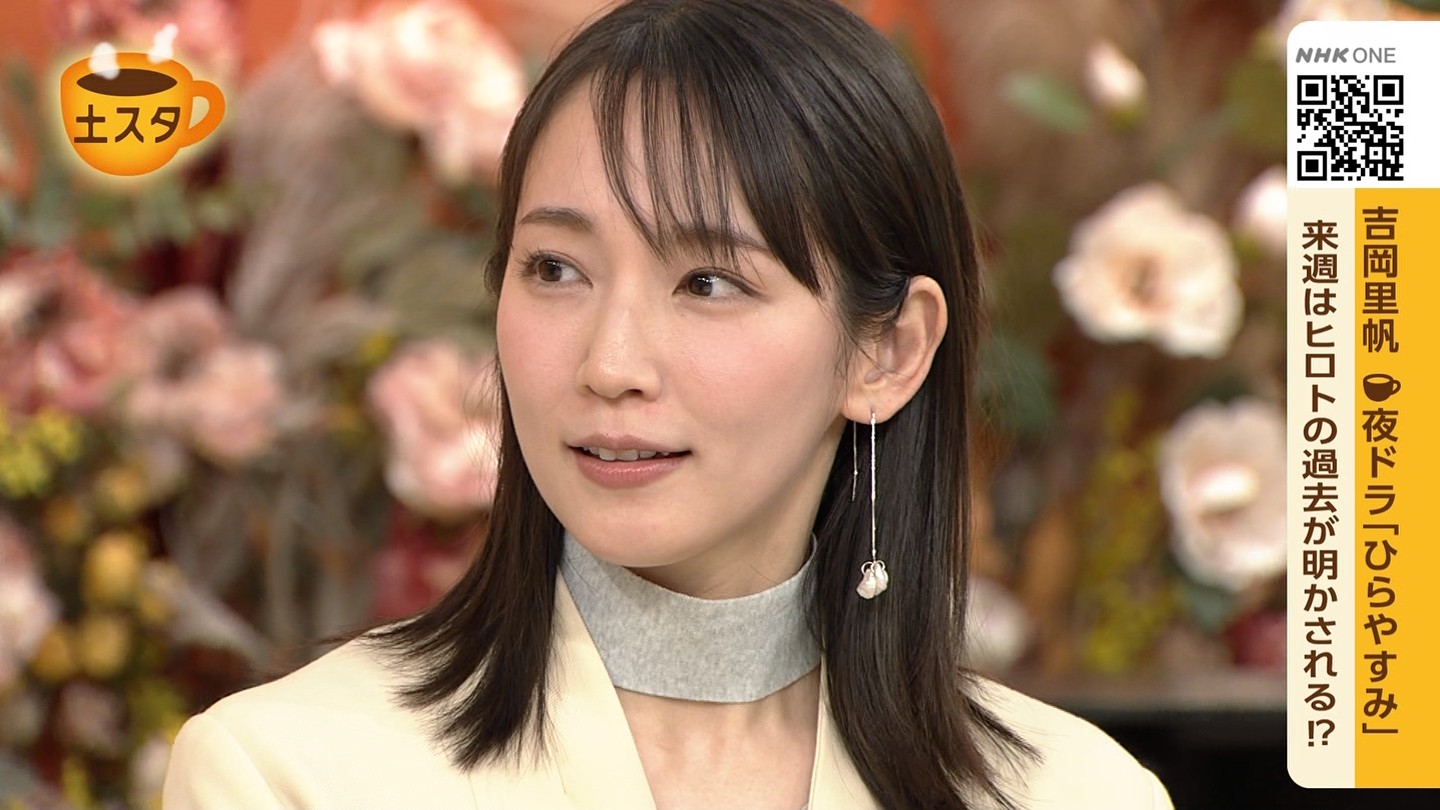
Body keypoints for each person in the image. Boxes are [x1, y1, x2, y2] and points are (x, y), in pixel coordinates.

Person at [163, 1, 1173, 807]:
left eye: (708, 283)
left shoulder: (1076, 793)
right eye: (556, 269)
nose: (610, 364)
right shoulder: (291, 774)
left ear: (888, 350)